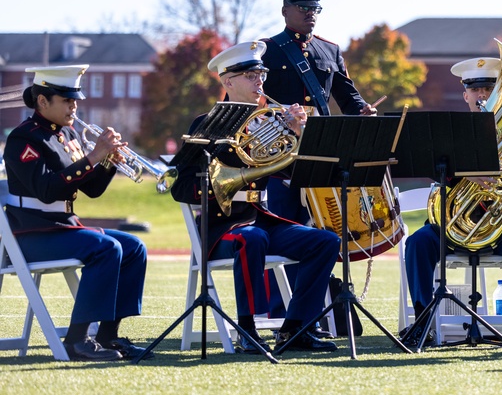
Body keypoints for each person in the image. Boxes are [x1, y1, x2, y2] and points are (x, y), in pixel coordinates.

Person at [171, 41, 340, 353]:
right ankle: (247, 328)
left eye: (261, 73)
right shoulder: (205, 124)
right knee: (253, 239)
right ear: (227, 81)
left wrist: (298, 135)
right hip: (220, 228)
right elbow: (181, 187)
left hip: (261, 220)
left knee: (326, 241)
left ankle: (295, 328)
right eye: (250, 75)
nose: (259, 80)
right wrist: (221, 172)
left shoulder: (267, 121)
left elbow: (296, 175)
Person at [401, 57, 502, 348]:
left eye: (489, 88)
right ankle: (423, 321)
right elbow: (432, 170)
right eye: (475, 90)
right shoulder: (450, 129)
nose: (482, 95)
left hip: (498, 228)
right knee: (417, 242)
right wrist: (465, 174)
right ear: (465, 95)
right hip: (450, 227)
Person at [2, 65, 147, 361]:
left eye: (75, 99)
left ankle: (108, 336)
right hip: (30, 235)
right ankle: (77, 340)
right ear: (43, 101)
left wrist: (106, 161)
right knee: (107, 248)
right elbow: (46, 189)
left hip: (62, 227)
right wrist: (94, 156)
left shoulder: (68, 134)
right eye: (67, 99)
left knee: (134, 247)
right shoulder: (23, 138)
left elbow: (91, 190)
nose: (75, 105)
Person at [259, 0, 376, 328]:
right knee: (290, 230)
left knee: (324, 232)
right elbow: (255, 103)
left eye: (316, 9)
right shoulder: (267, 50)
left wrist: (363, 111)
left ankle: (318, 315)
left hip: (322, 156)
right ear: (285, 10)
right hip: (281, 160)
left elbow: (348, 97)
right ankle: (286, 316)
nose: (311, 14)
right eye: (304, 8)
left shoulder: (329, 50)